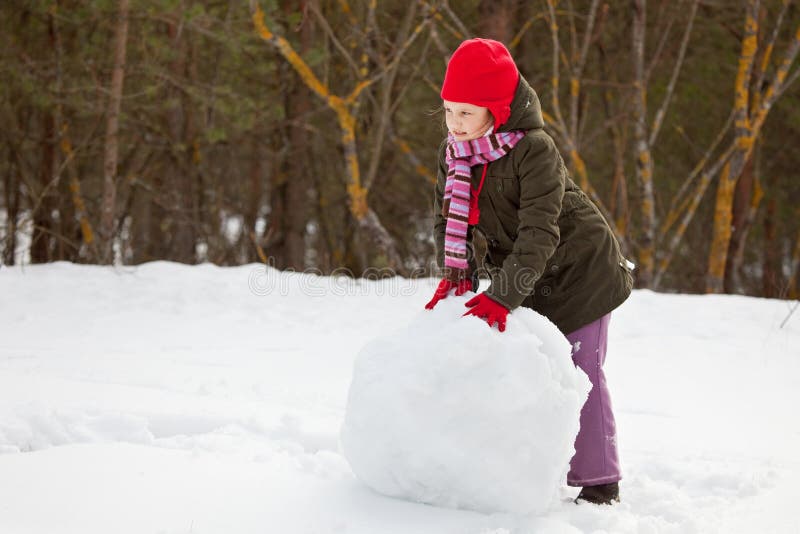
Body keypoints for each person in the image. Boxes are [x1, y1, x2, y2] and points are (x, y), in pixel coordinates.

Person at [424, 38, 634, 505]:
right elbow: (447, 217)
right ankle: (526, 469)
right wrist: (459, 274)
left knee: (581, 371)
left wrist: (502, 294)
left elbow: (540, 232)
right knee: (528, 367)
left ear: (496, 109)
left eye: (466, 113)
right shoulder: (455, 153)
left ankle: (599, 482)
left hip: (580, 268)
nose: (455, 125)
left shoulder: (533, 150)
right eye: (448, 111)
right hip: (528, 271)